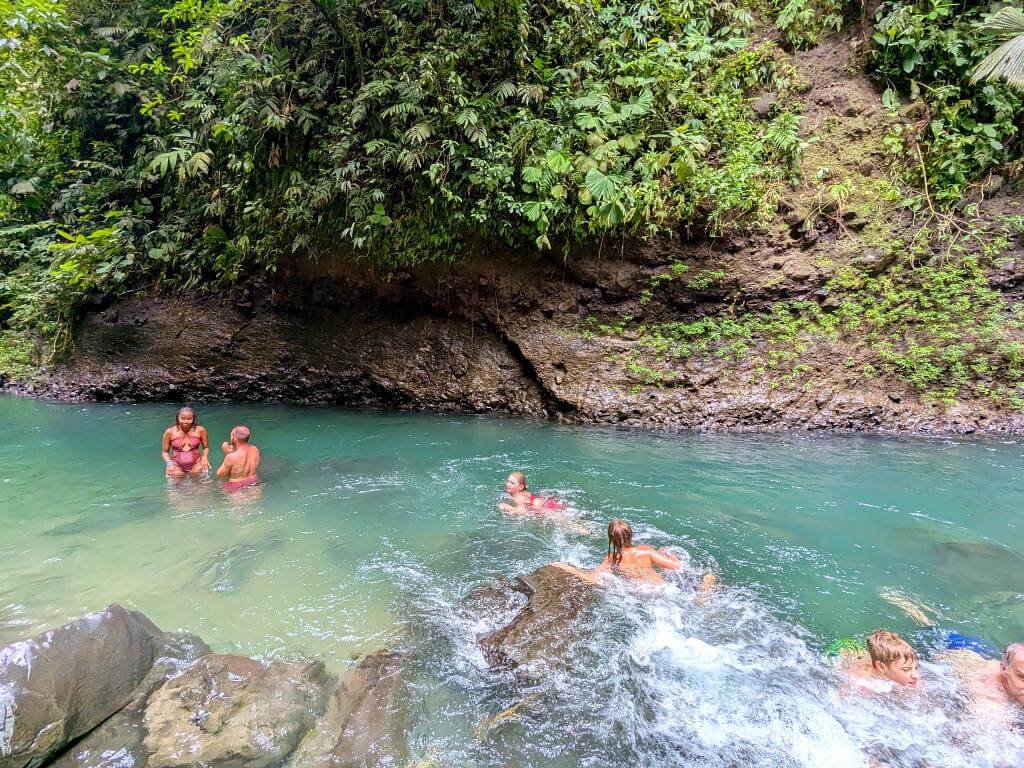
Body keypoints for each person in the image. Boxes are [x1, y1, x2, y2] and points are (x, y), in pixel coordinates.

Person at [944, 642, 1024, 721]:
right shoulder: (990, 700)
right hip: (954, 651)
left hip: (980, 652)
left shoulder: (1014, 671)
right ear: (1003, 669)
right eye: (1022, 677)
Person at [592, 518, 684, 585]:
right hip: (659, 587)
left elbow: (594, 578)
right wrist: (670, 555)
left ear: (611, 540)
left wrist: (577, 571)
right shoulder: (645, 551)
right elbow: (677, 566)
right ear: (631, 535)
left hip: (639, 591)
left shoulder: (612, 559)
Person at [843, 630, 921, 692]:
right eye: (906, 669)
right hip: (844, 651)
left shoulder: (902, 676)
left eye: (915, 668)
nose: (916, 675)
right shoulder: (861, 682)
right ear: (881, 667)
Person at [162, 407, 210, 477]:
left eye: (189, 419)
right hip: (176, 466)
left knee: (201, 486)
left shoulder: (200, 430)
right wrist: (169, 463)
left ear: (193, 418)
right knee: (175, 487)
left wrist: (205, 457)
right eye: (183, 418)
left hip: (197, 464)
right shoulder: (169, 432)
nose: (186, 421)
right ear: (177, 418)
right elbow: (164, 452)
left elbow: (206, 448)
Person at [216, 425, 261, 491]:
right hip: (254, 482)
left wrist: (227, 454)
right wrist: (232, 453)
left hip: (237, 488)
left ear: (235, 438)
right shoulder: (255, 449)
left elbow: (221, 475)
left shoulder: (231, 457)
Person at [499, 472, 564, 516]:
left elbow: (522, 512)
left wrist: (508, 507)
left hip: (545, 509)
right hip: (548, 503)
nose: (508, 484)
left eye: (512, 483)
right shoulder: (524, 492)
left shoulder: (518, 498)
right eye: (508, 481)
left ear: (521, 487)